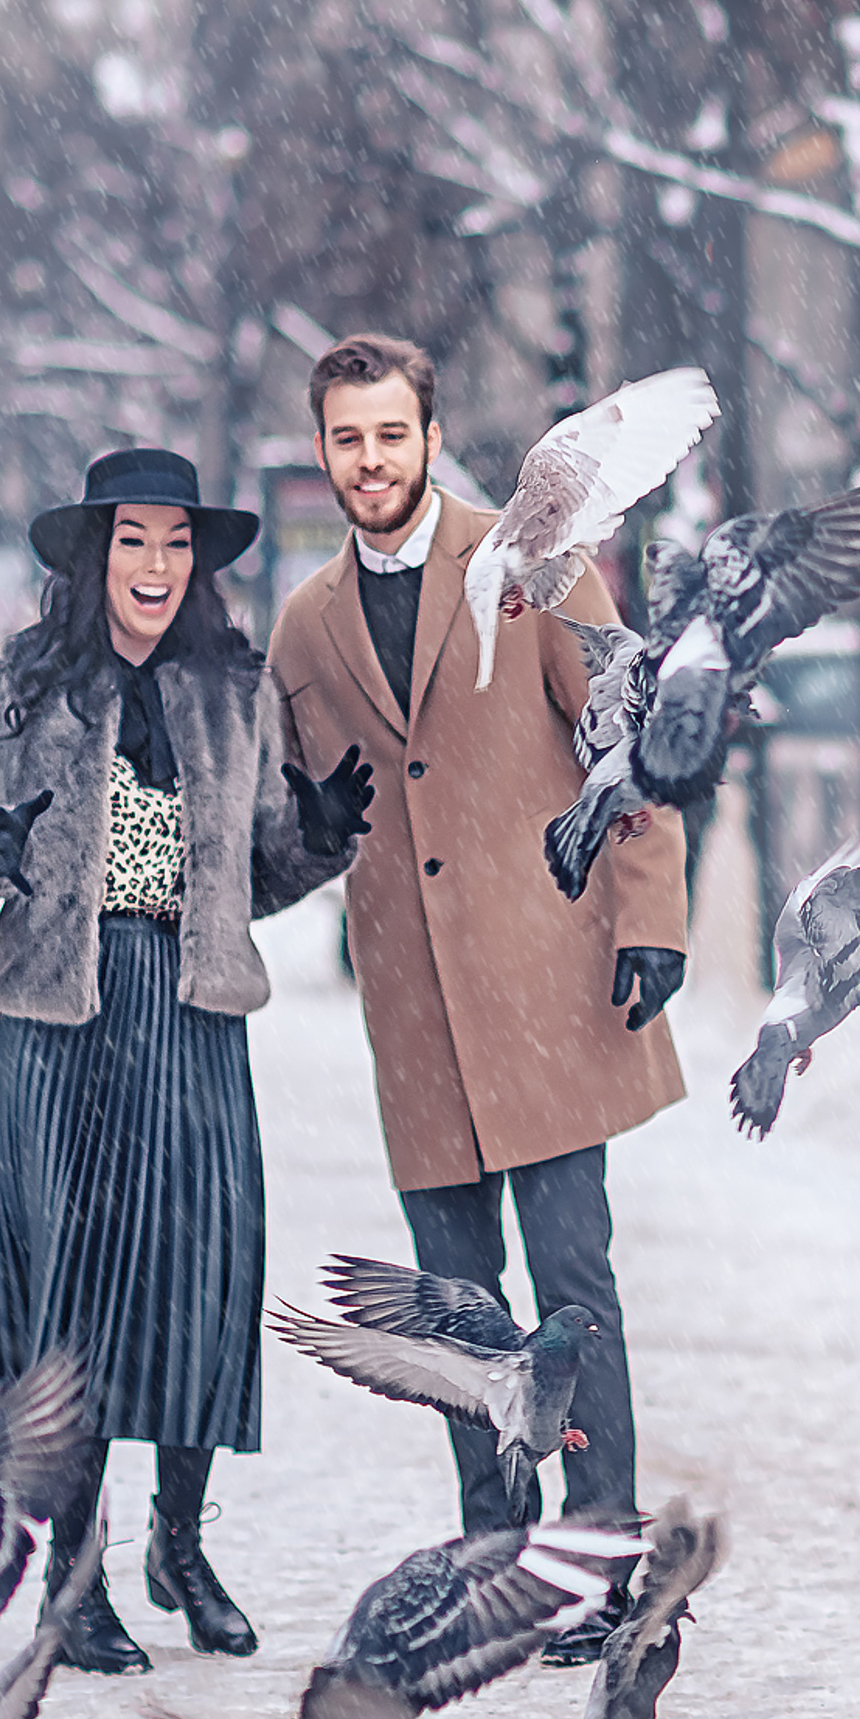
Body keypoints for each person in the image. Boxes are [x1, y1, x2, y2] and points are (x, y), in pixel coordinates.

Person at [265, 336, 687, 1652]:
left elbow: (631, 728)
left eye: (391, 434)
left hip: (548, 987)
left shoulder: (536, 552)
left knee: (573, 1285)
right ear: (322, 449)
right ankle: (498, 1562)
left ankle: (597, 1555)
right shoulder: (305, 625)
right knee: (459, 1313)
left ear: (429, 438)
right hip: (414, 1012)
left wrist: (652, 915)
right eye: (347, 438)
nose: (371, 460)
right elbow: (293, 817)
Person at [0, 446, 372, 1674]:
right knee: (76, 1301)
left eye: (176, 545)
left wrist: (322, 837)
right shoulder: (23, 682)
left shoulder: (235, 688)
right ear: (92, 555)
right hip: (61, 1028)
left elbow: (258, 869)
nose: (157, 567)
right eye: (134, 542)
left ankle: (180, 1542)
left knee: (200, 1285)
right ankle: (75, 1579)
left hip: (192, 1013)